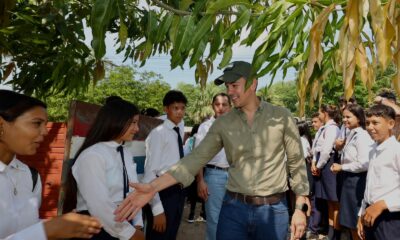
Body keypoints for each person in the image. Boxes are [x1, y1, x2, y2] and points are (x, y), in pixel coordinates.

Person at [114, 61, 310, 240]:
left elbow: (296, 162)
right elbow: (195, 159)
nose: (230, 91)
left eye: (235, 85)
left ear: (253, 84)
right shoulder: (223, 123)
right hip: (234, 209)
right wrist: (153, 187)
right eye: (227, 86)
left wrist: (300, 206)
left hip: (274, 210)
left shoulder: (281, 117)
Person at [0, 90, 102, 239]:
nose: (45, 132)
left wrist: (62, 225)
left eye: (45, 124)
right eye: (37, 123)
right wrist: (47, 231)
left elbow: (24, 227)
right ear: (1, 125)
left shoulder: (30, 175)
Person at [63, 97, 145, 240]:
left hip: (123, 222)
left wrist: (137, 223)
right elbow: (99, 205)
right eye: (133, 123)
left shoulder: (124, 152)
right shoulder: (93, 155)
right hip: (98, 227)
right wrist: (129, 233)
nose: (137, 129)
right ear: (116, 121)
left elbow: (133, 190)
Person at [141, 90, 188, 240]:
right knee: (159, 235)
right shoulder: (158, 133)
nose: (180, 112)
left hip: (177, 191)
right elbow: (149, 173)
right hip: (162, 192)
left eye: (182, 108)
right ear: (165, 109)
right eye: (175, 108)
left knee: (170, 234)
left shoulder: (177, 131)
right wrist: (157, 209)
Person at [330, 104, 373, 240]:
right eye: (343, 117)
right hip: (348, 180)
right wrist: (339, 147)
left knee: (355, 221)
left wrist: (342, 167)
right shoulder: (351, 134)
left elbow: (364, 163)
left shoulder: (362, 136)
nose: (344, 120)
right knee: (349, 221)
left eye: (348, 117)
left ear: (359, 118)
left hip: (356, 181)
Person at [357, 104, 400, 240]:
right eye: (368, 123)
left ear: (391, 124)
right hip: (370, 214)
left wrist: (383, 204)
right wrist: (362, 214)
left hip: (390, 218)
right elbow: (370, 186)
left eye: (375, 123)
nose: (370, 127)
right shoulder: (373, 151)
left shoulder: (396, 151)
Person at [195, 92, 231, 240]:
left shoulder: (238, 125)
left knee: (233, 219)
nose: (221, 108)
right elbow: (198, 156)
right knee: (214, 219)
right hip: (214, 176)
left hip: (236, 176)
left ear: (230, 106)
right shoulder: (205, 127)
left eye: (224, 104)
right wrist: (200, 181)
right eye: (217, 104)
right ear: (213, 106)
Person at [311, 104, 341, 240]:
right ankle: (330, 231)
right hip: (321, 164)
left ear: (325, 113)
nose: (319, 115)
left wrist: (318, 165)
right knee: (329, 201)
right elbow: (317, 148)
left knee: (334, 201)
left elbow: (326, 150)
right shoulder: (325, 128)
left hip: (327, 164)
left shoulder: (332, 128)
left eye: (320, 112)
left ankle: (336, 232)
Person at [184, 124, 206, 223]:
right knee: (205, 190)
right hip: (204, 168)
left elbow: (186, 154)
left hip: (193, 168)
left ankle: (191, 214)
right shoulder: (206, 139)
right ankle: (204, 213)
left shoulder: (189, 140)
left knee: (193, 191)